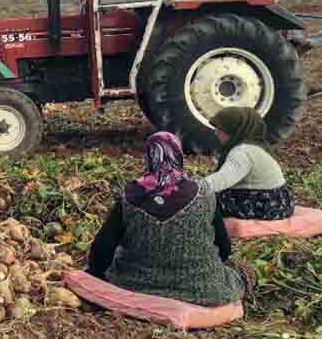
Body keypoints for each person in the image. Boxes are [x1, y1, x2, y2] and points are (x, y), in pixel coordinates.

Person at [86, 132, 246, 307]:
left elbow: (103, 247)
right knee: (240, 273)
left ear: (149, 157)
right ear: (178, 156)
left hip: (134, 284)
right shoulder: (204, 193)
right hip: (202, 287)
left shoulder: (131, 195)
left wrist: (95, 274)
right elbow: (224, 247)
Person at [200, 107, 295, 221]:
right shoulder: (255, 145)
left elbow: (223, 179)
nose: (216, 133)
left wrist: (193, 189)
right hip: (281, 200)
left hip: (266, 204)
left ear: (234, 131)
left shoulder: (243, 152)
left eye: (220, 129)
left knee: (203, 203)